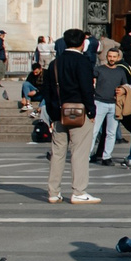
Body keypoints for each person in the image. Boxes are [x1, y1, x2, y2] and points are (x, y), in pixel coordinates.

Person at [40, 28, 101, 204]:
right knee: (79, 152)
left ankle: (53, 192)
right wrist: (91, 111)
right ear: (82, 43)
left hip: (59, 113)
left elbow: (48, 91)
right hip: (79, 112)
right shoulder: (83, 62)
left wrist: (52, 115)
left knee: (57, 153)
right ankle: (78, 191)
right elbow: (86, 89)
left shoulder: (55, 63)